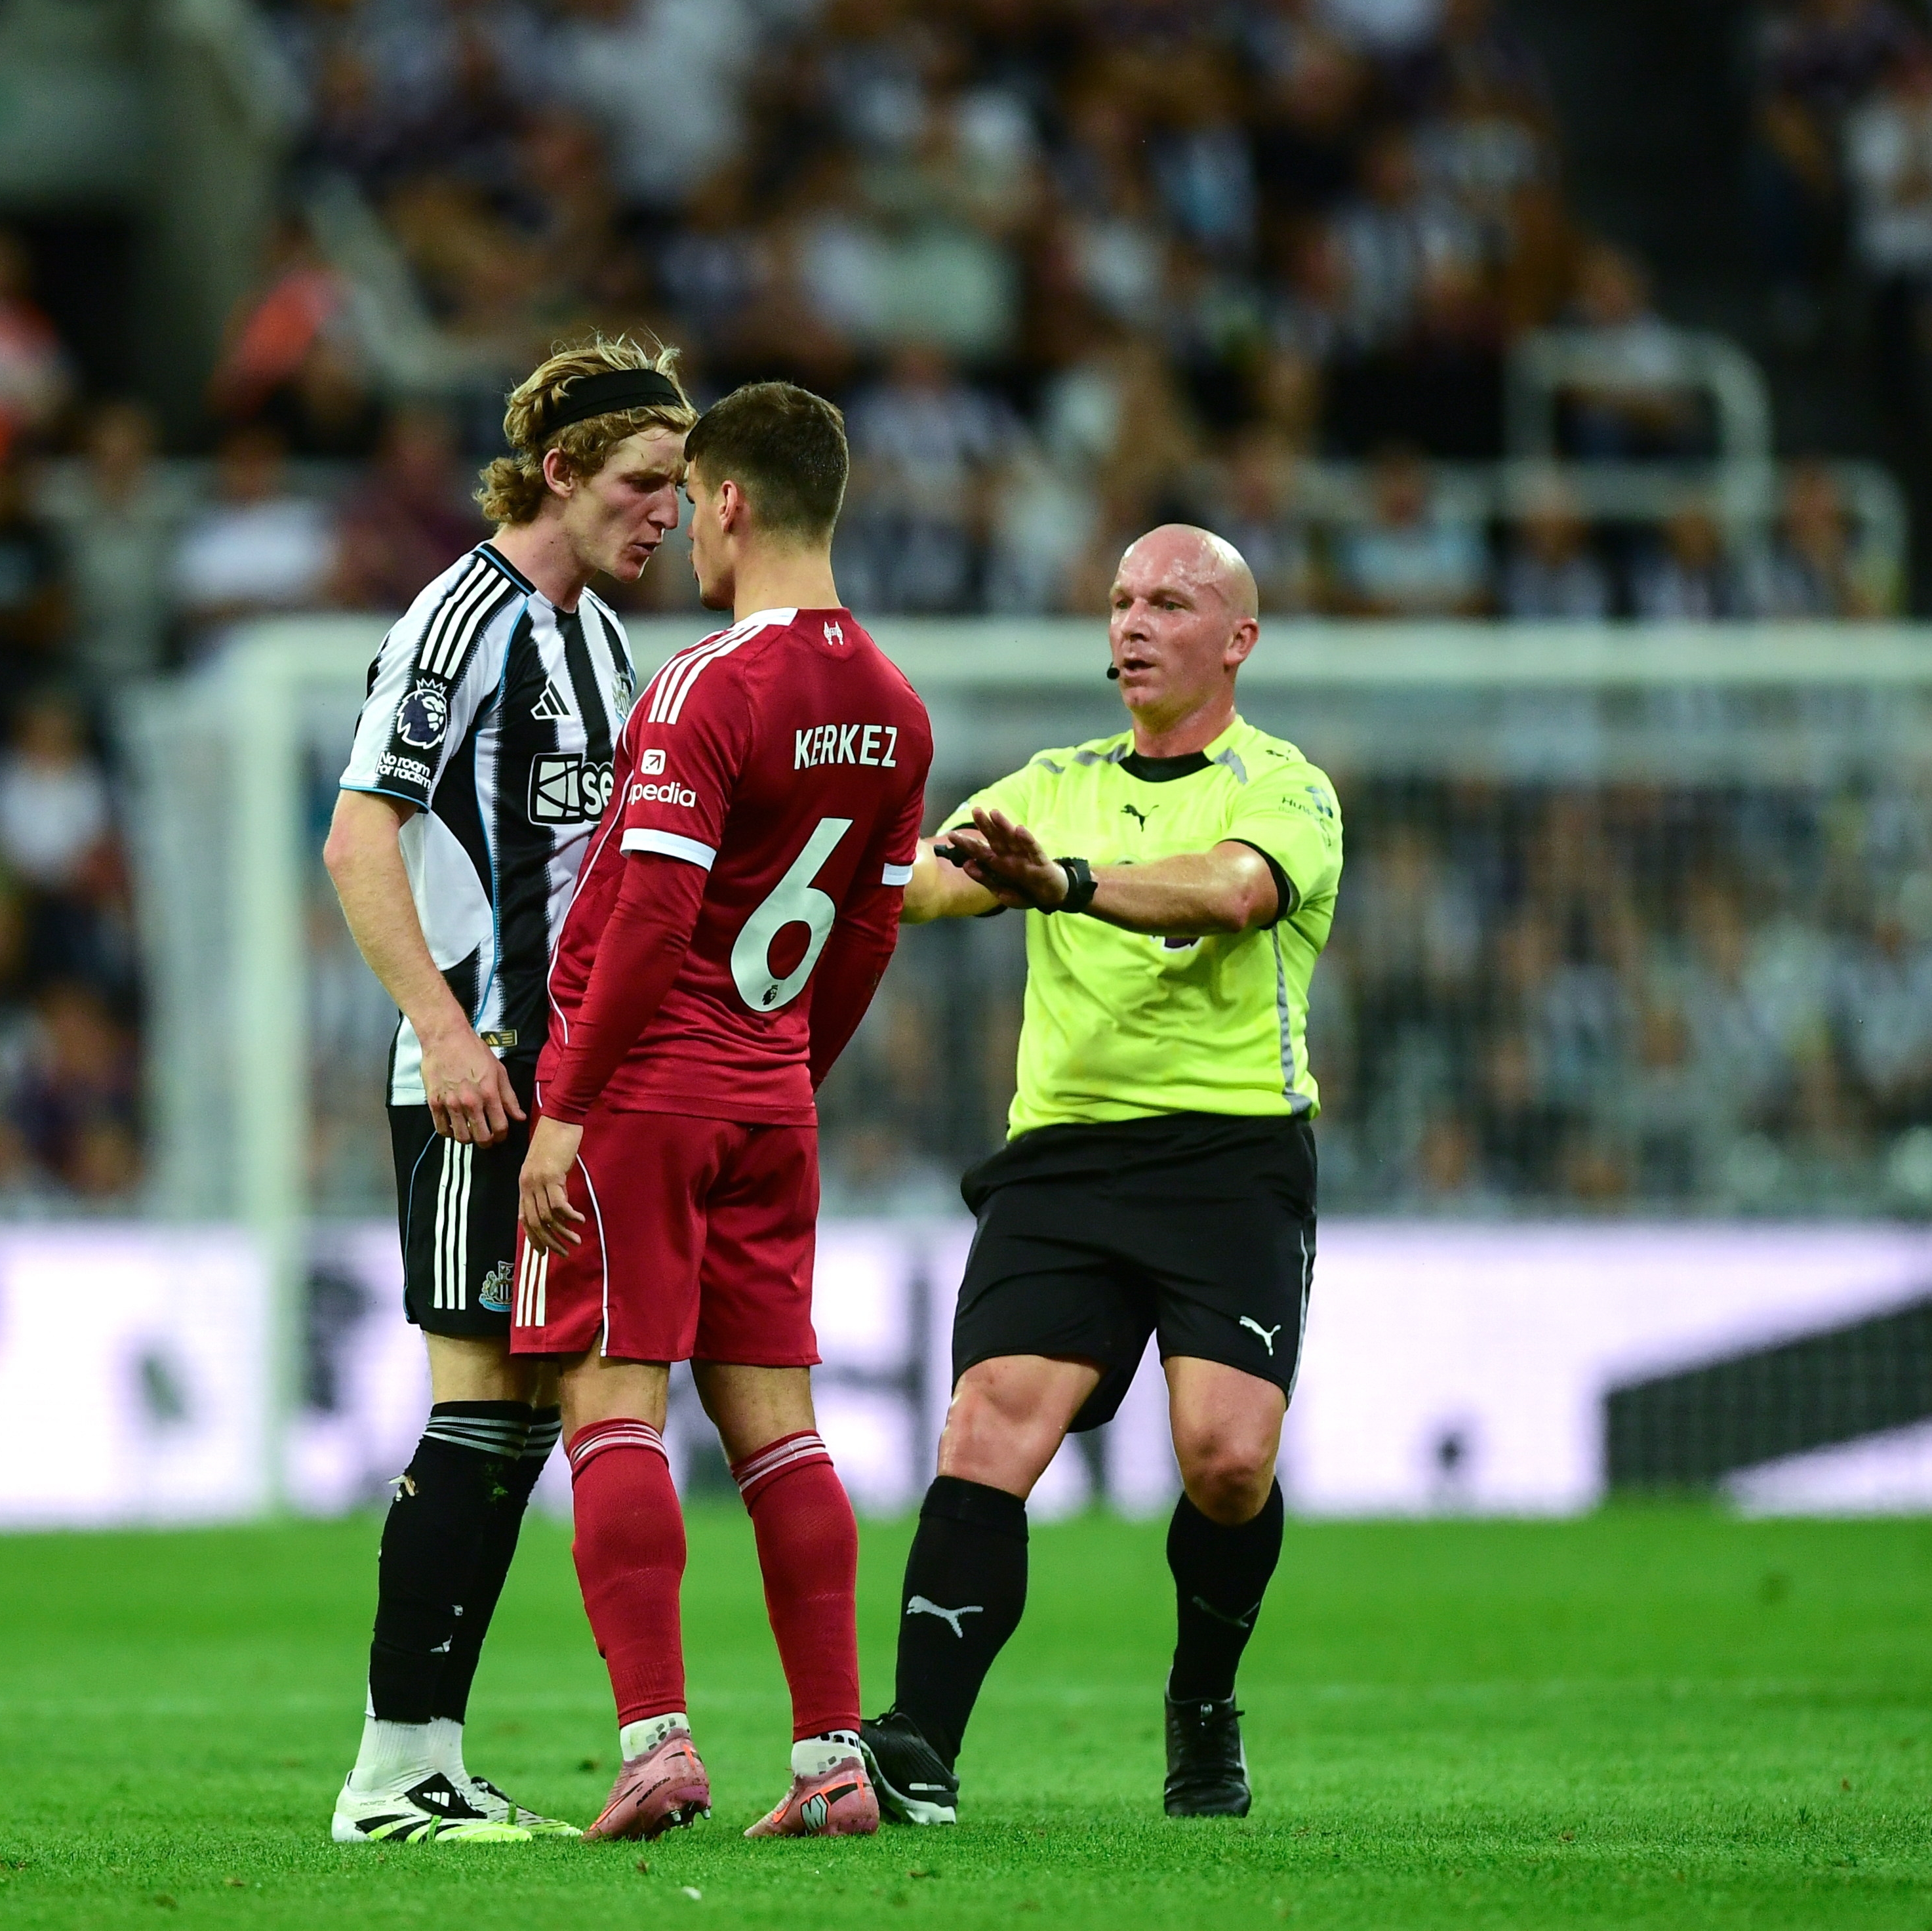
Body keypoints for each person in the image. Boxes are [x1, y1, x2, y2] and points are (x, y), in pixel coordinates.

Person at [869, 523, 1344, 1825]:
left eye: (1170, 602)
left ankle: (1201, 1697)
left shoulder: (1283, 787)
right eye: (1122, 599)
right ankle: (916, 1740)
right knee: (986, 1420)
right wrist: (801, 850)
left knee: (1225, 1461)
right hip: (1062, 1158)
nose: (1132, 621)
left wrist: (1066, 883)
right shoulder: (1050, 778)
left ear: (1234, 640)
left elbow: (1232, 893)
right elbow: (920, 885)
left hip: (1229, 1157)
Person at [513, 382, 933, 1843]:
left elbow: (644, 918)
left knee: (611, 1399)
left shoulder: (705, 684)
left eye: (691, 501)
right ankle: (831, 1756)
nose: (683, 526)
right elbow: (868, 935)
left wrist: (566, 1105)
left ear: (734, 503)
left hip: (645, 1093)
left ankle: (655, 1743)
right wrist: (786, 1070)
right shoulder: (892, 704)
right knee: (779, 1428)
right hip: (770, 1097)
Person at [318, 334, 691, 1845]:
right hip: (476, 1074)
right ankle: (387, 1769)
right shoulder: (458, 619)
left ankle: (427, 1754)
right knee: (477, 1399)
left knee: (519, 1411)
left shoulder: (598, 639)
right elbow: (356, 839)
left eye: (675, 486)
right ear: (558, 470)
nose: (666, 512)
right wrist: (447, 1031)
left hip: (563, 1084)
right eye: (642, 483)